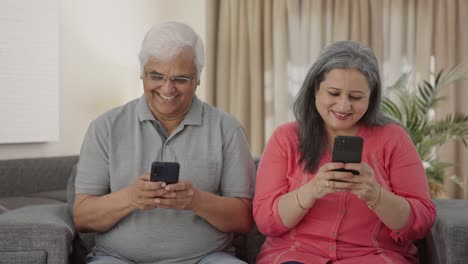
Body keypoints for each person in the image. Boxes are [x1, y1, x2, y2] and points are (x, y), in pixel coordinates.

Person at [73, 21, 255, 264]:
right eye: (156, 76)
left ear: (198, 78)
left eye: (181, 78)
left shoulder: (227, 129)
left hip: (207, 258)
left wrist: (195, 200)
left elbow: (244, 219)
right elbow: (82, 218)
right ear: (142, 73)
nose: (167, 88)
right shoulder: (105, 127)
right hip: (118, 259)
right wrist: (130, 198)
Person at [253, 40, 436, 264]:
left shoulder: (394, 139)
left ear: (372, 97)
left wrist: (376, 195)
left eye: (356, 97)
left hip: (372, 257)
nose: (343, 106)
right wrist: (312, 190)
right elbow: (265, 220)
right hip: (296, 254)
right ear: (315, 90)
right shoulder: (286, 138)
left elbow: (421, 222)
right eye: (334, 93)